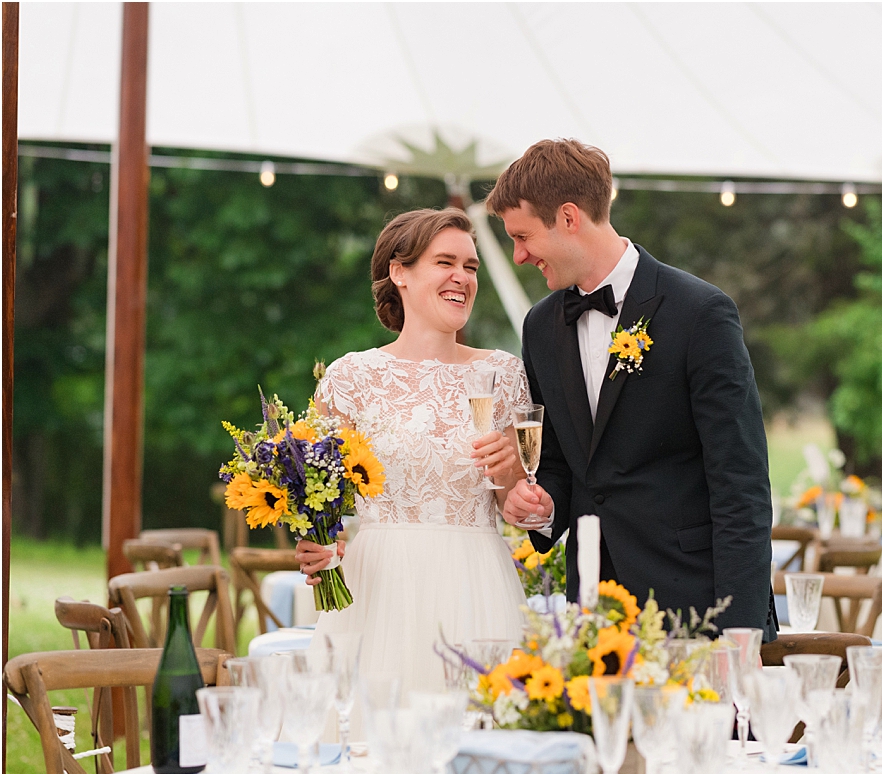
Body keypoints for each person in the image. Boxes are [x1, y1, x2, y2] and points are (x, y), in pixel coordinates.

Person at [492, 139, 777, 638]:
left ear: (568, 217)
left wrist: (740, 632)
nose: (518, 256)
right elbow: (560, 462)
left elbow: (741, 485)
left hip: (695, 609)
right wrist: (543, 507)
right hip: (594, 611)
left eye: (522, 236)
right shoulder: (540, 326)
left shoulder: (699, 313)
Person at [295, 208, 527, 690]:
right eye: (446, 262)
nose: (462, 277)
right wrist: (319, 540)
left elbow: (517, 507)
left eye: (470, 266)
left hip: (476, 586)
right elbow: (316, 494)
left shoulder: (503, 374)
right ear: (399, 272)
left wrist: (511, 476)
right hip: (377, 592)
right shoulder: (350, 377)